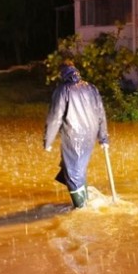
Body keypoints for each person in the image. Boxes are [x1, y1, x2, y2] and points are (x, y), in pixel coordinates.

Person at [43, 61, 110, 208]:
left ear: (62, 73)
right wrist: (103, 138)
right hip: (90, 135)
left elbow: (55, 116)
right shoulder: (91, 87)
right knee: (73, 168)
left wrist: (48, 141)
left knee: (73, 173)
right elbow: (100, 113)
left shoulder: (63, 90)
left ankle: (81, 209)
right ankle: (84, 199)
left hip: (74, 136)